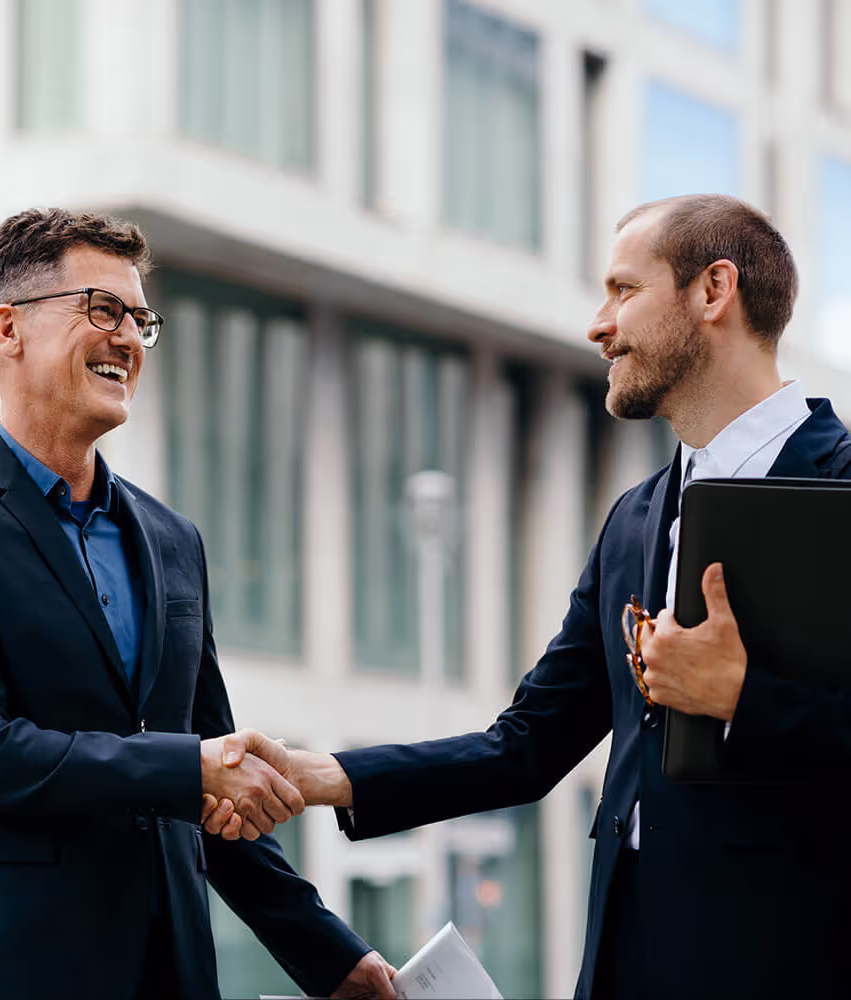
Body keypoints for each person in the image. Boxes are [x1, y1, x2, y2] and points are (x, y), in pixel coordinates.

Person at [210, 194, 851, 1000]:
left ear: (712, 292)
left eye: (624, 290)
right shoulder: (634, 520)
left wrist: (742, 699)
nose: (599, 324)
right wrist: (323, 776)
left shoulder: (843, 488)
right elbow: (526, 747)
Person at [0, 208, 396, 1000]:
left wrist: (331, 955)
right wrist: (190, 767)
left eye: (138, 320)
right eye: (101, 310)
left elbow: (214, 775)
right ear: (8, 328)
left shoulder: (172, 538)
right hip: (8, 965)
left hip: (168, 964)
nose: (126, 338)